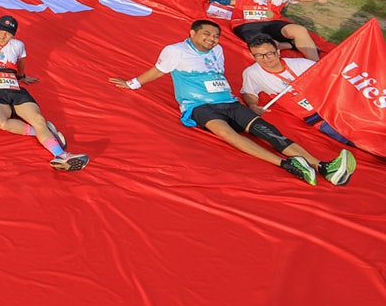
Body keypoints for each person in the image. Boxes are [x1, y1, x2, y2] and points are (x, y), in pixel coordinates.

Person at [108, 20, 355, 186]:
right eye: (206, 34)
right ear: (192, 33)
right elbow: (158, 70)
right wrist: (133, 84)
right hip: (199, 106)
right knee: (227, 133)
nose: (212, 39)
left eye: (216, 36)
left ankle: (323, 167)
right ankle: (288, 164)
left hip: (228, 101)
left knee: (269, 132)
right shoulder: (175, 51)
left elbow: (218, 74)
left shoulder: (218, 50)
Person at [0, 16, 88, 171]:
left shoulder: (18, 45)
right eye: (0, 29)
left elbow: (21, 62)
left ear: (13, 34)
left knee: (38, 119)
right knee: (0, 122)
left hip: (15, 88)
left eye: (8, 33)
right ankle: (44, 133)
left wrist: (22, 77)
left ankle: (62, 155)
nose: (2, 34)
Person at [241, 37, 352, 146]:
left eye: (270, 53)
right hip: (315, 118)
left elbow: (330, 78)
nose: (266, 59)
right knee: (352, 137)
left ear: (278, 52)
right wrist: (253, 105)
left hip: (334, 106)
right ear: (252, 56)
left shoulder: (302, 64)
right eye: (259, 55)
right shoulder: (252, 73)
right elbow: (249, 92)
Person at [223, 0, 327, 61]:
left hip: (272, 21)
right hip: (246, 22)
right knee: (265, 44)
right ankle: (288, 45)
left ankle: (315, 64)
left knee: (299, 30)